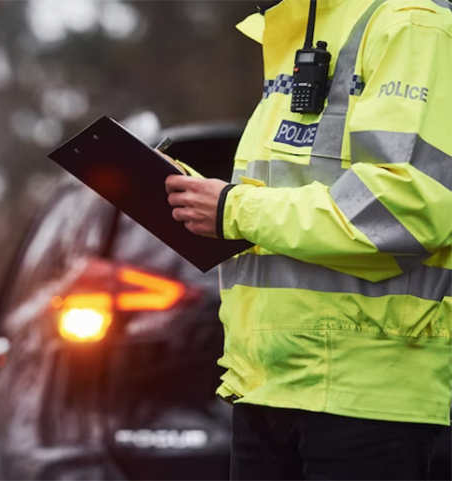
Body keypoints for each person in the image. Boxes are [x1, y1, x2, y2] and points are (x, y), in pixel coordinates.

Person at [165, 0, 452, 480]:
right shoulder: (292, 30)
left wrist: (233, 209)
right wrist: (202, 202)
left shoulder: (413, 25)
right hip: (265, 383)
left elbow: (403, 210)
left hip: (365, 389)